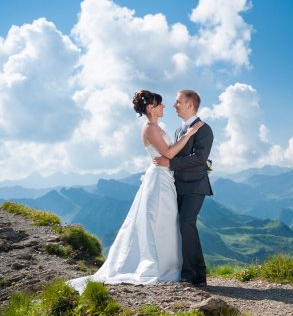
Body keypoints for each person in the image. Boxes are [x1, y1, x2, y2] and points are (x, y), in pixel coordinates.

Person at [68, 90, 203, 293]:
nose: (164, 106)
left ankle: (170, 266)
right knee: (158, 220)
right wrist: (189, 134)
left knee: (165, 221)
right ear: (150, 107)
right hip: (159, 178)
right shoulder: (150, 129)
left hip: (165, 177)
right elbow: (169, 153)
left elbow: (169, 154)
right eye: (160, 104)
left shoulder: (157, 127)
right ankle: (159, 267)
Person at [154, 90, 213, 287]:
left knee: (186, 223)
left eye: (178, 102)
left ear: (190, 104)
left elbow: (199, 158)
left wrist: (169, 164)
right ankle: (187, 272)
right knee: (181, 227)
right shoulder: (180, 130)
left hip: (196, 185)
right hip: (178, 186)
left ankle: (196, 275)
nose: (174, 105)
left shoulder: (204, 129)